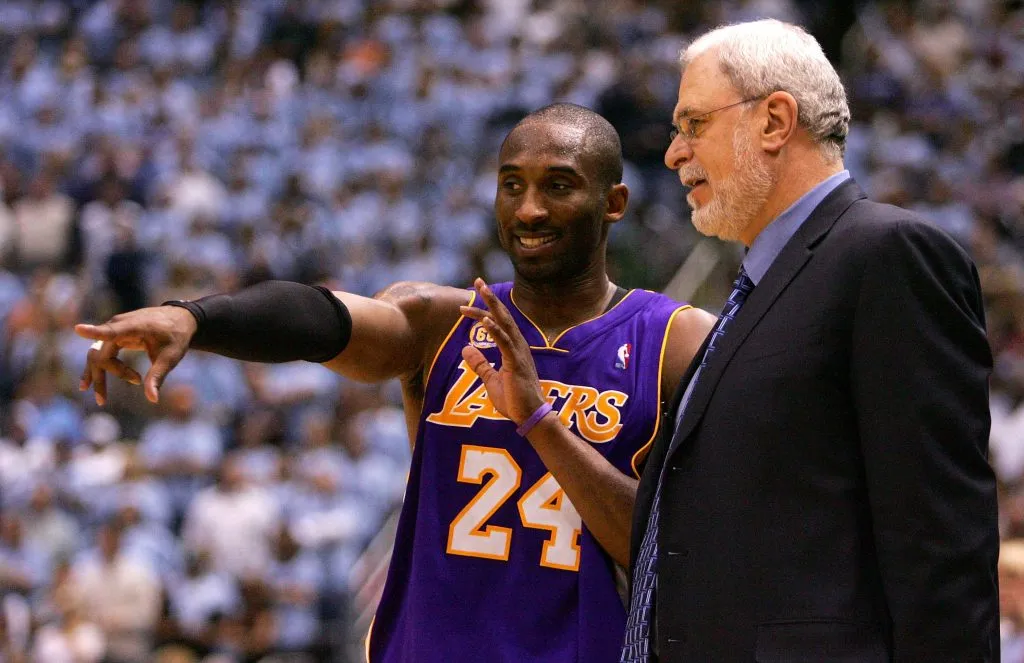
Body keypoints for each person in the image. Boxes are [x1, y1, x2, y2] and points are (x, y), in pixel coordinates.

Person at [75, 103, 716, 663]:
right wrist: (196, 317)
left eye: (558, 185)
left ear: (614, 204)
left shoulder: (675, 342)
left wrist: (538, 422)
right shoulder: (439, 323)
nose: (529, 208)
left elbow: (673, 548)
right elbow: (322, 321)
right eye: (511, 184)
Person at [616, 19, 1000, 662]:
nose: (673, 152)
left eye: (694, 124)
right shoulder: (757, 290)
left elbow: (940, 544)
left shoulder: (888, 256)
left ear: (773, 121)